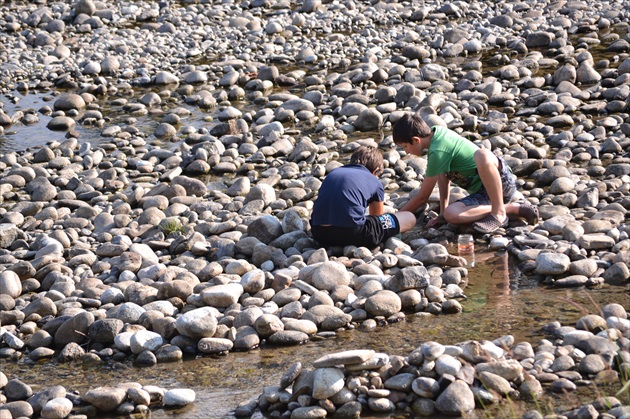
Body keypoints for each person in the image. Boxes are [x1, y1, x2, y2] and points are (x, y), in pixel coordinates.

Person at [392, 113, 539, 234]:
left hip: (500, 182)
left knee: (482, 154)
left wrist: (393, 220)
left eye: (405, 147)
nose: (406, 152)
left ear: (416, 140)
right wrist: (443, 214)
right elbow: (443, 175)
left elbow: (422, 197)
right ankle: (511, 207)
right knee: (451, 214)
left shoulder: (438, 150)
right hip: (483, 194)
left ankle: (503, 211)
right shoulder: (436, 133)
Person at [310, 146, 417, 248]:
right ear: (375, 171)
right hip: (354, 234)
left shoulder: (333, 173)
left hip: (319, 234)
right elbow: (377, 217)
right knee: (409, 217)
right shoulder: (374, 180)